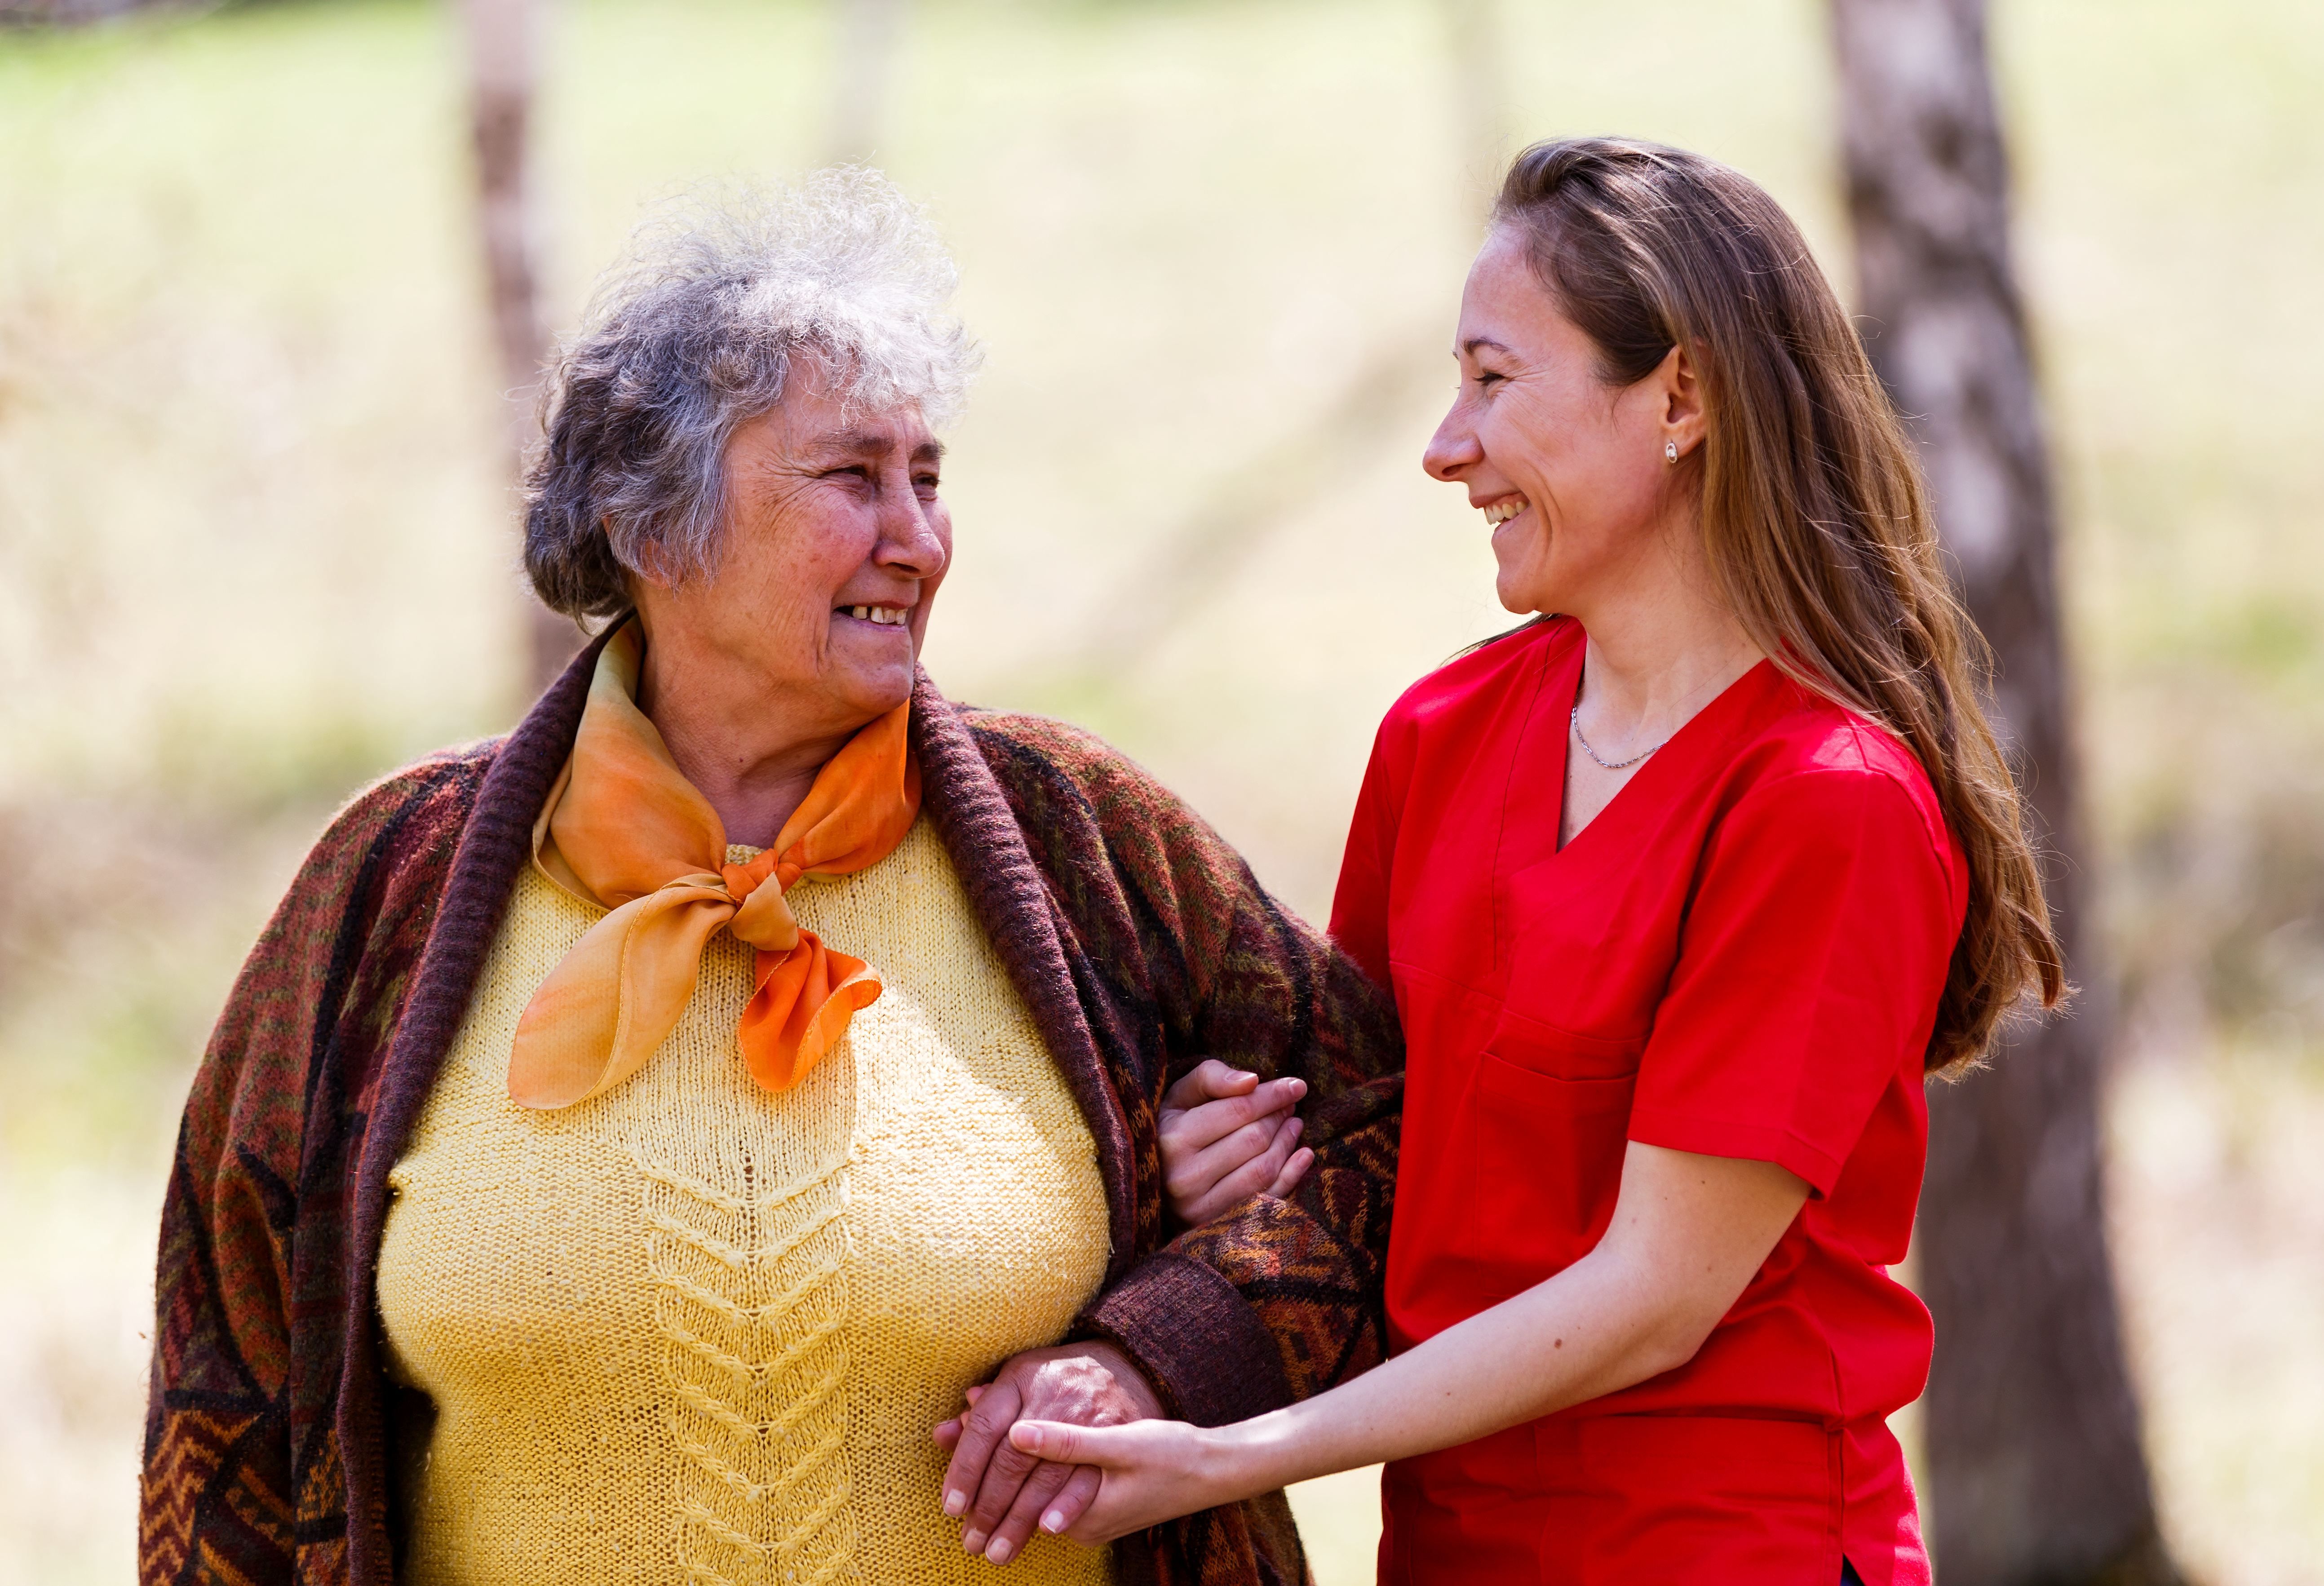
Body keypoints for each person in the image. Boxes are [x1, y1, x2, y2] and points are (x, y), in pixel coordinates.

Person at [137, 170, 1399, 1586]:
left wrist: (1163, 1341)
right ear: (653, 526)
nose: (916, 539)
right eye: (852, 478)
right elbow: (229, 1381)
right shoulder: (389, 893)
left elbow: (1391, 1128)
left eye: (929, 478)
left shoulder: (1084, 843)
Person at [991, 137, 2065, 1585]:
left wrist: (1234, 1453)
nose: (1445, 445)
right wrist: (1219, 1164)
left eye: (1495, 382)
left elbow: (1653, 1298)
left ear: (1680, 397)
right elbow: (1374, 1145)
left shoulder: (1826, 802)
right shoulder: (1443, 733)